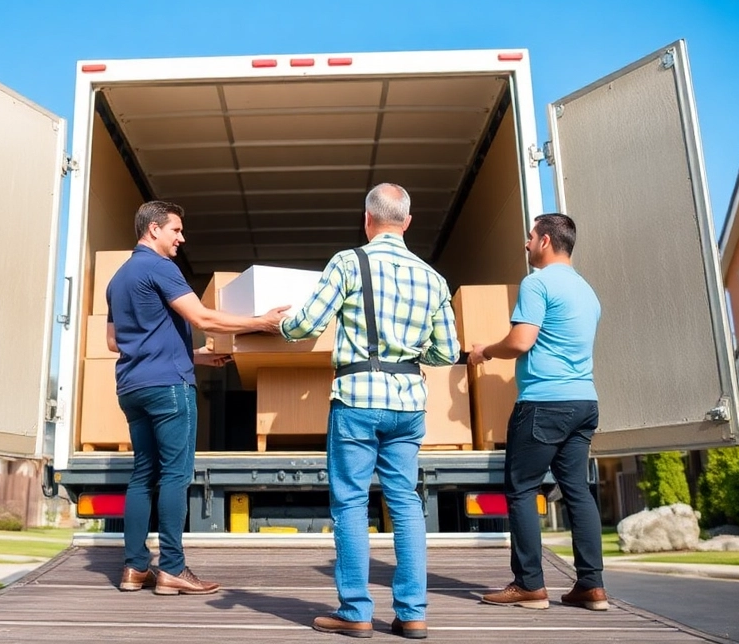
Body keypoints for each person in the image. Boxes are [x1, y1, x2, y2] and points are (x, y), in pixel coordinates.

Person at [280, 183, 459, 640]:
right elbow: (447, 353)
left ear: (367, 219)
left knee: (351, 505)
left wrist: (276, 322)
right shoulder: (433, 279)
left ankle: (356, 612)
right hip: (408, 404)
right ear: (408, 222)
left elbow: (306, 324)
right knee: (406, 505)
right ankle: (412, 613)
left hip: (357, 399)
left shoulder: (348, 262)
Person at [106, 200, 289, 596]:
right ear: (153, 229)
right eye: (175, 230)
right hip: (169, 388)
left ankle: (135, 569)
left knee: (142, 476)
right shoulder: (160, 267)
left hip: (133, 387)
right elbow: (202, 318)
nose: (181, 238)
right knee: (175, 475)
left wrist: (195, 356)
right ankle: (171, 568)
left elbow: (114, 341)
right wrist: (261, 322)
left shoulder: (118, 278)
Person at [469, 213, 607, 612]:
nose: (526, 244)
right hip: (584, 402)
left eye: (530, 237)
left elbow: (522, 340)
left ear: (545, 241)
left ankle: (530, 585)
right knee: (578, 490)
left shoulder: (537, 282)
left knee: (522, 489)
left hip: (545, 402)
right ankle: (591, 586)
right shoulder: (587, 291)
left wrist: (485, 352)